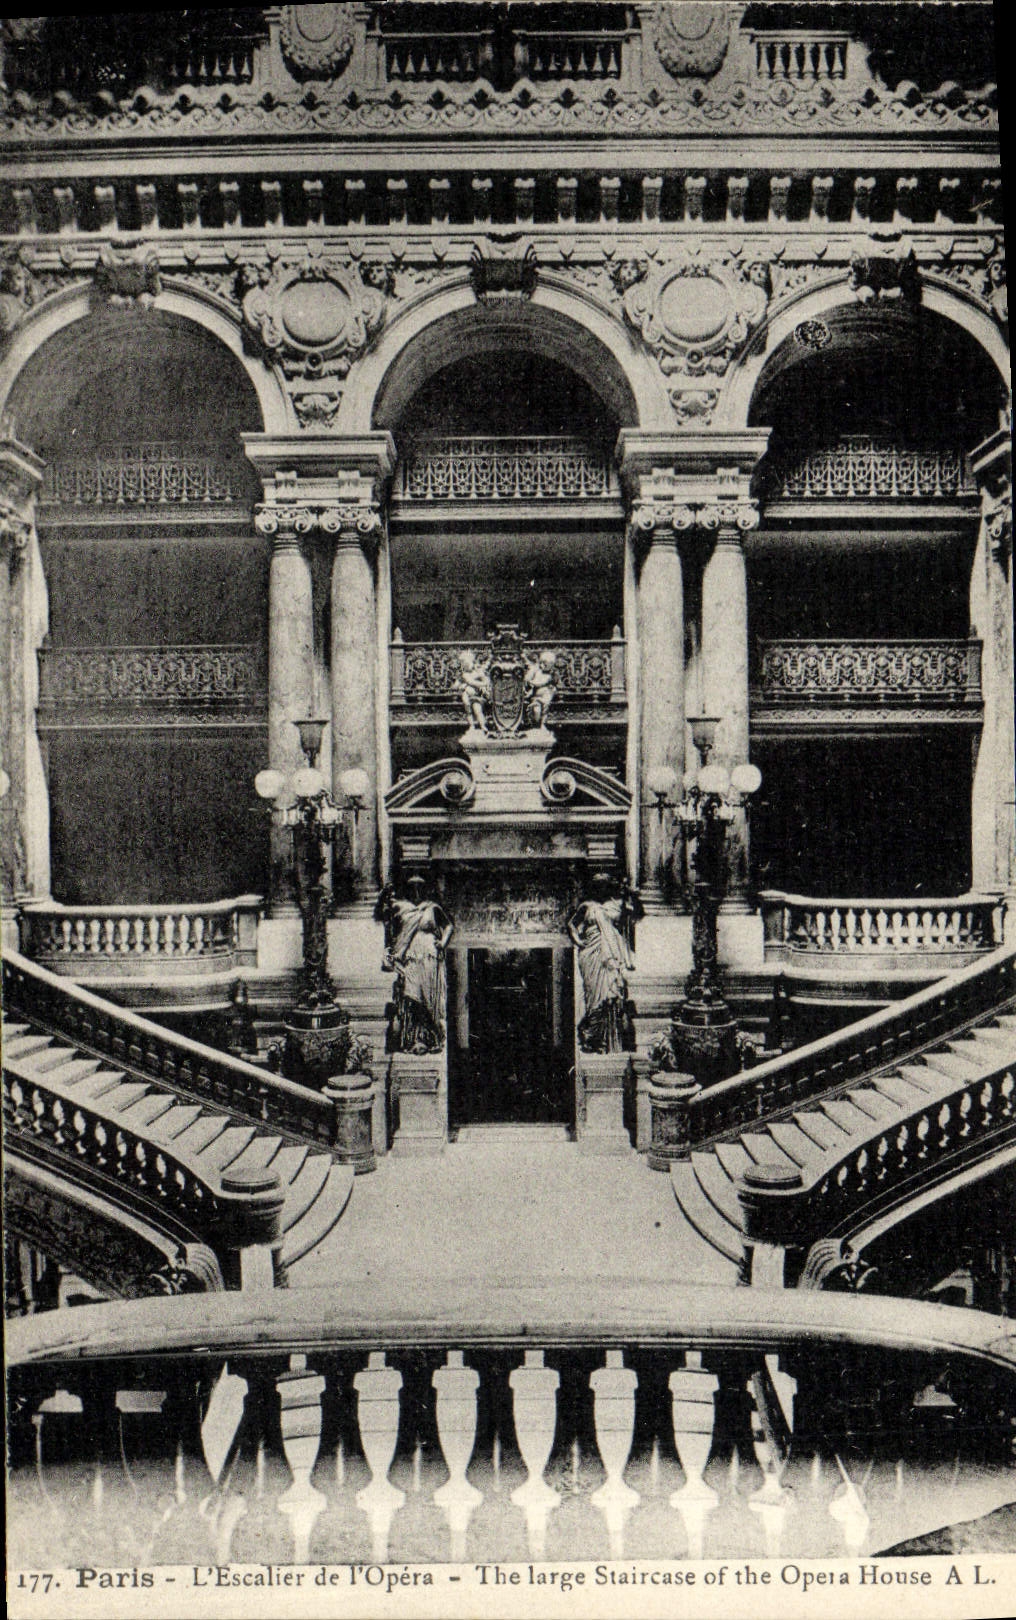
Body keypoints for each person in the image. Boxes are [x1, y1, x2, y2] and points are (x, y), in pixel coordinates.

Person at [375, 878, 454, 1053]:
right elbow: (390, 928)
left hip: (430, 956)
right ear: (408, 890)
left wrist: (442, 942)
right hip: (410, 955)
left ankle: (429, 1038)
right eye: (413, 888)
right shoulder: (401, 907)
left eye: (420, 888)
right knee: (411, 995)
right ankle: (414, 1039)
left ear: (425, 890)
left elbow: (448, 926)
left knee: (428, 997)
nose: (417, 891)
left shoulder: (432, 908)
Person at [567, 877, 641, 1054]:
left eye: (605, 888)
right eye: (599, 888)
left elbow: (632, 917)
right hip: (590, 955)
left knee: (609, 995)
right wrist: (579, 941)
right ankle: (591, 1036)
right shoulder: (587, 906)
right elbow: (571, 925)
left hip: (608, 955)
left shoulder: (613, 905)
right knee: (593, 996)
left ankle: (604, 1040)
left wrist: (630, 895)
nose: (602, 891)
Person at [455, 649, 491, 733]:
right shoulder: (464, 675)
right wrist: (461, 686)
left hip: (476, 696)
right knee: (468, 709)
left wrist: (483, 683)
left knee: (477, 710)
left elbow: (486, 680)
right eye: (463, 664)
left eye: (467, 663)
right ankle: (471, 726)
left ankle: (483, 726)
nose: (466, 666)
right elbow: (469, 682)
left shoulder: (477, 672)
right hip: (467, 695)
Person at [524, 649, 557, 730]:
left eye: (546, 664)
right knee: (536, 710)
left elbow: (539, 683)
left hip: (544, 698)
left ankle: (542, 724)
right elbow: (528, 678)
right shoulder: (537, 671)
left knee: (543, 710)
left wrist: (531, 682)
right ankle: (536, 724)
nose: (543, 665)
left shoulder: (548, 676)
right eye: (542, 663)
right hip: (536, 697)